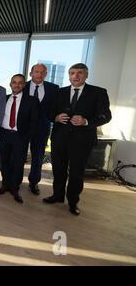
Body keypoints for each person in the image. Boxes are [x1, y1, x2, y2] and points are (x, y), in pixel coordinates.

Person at [43, 63, 111, 215]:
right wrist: (56, 117)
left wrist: (86, 121)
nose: (76, 76)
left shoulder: (98, 92)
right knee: (58, 170)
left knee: (76, 173)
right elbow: (49, 111)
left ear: (86, 75)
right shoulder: (59, 92)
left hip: (82, 141)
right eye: (73, 73)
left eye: (80, 73)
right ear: (69, 76)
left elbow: (106, 116)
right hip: (60, 139)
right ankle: (57, 195)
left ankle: (73, 202)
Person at [0, 74, 39, 204]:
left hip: (20, 136)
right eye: (14, 82)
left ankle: (15, 188)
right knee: (4, 161)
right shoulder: (4, 98)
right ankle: (5, 184)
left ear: (24, 85)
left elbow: (34, 121)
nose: (17, 85)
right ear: (10, 84)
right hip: (4, 135)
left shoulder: (31, 100)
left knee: (18, 163)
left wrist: (27, 136)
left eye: (20, 83)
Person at [23, 63, 59, 195]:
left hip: (42, 129)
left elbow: (56, 108)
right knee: (19, 155)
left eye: (42, 72)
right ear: (31, 73)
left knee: (37, 157)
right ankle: (14, 180)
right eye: (36, 72)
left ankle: (33, 182)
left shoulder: (54, 88)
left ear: (46, 74)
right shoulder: (22, 86)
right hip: (23, 128)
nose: (39, 74)